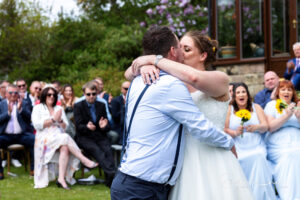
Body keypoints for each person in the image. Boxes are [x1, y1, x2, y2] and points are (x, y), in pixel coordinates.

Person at [110, 26, 244, 200]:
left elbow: (194, 78)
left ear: (203, 55)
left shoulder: (219, 78)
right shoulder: (170, 82)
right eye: (179, 47)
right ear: (173, 51)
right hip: (181, 165)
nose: (181, 51)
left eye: (186, 49)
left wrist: (152, 59)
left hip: (213, 156)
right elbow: (129, 72)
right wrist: (144, 65)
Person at [32, 84, 98, 189]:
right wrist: (52, 120)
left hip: (58, 136)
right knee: (65, 137)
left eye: (54, 95)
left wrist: (60, 120)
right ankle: (84, 159)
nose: (52, 97)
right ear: (44, 96)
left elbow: (65, 126)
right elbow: (37, 125)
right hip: (43, 138)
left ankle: (61, 179)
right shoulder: (38, 108)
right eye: (49, 95)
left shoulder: (58, 108)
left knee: (65, 147)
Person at [224, 82, 276, 199]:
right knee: (240, 160)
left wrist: (257, 127)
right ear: (234, 96)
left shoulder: (256, 107)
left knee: (258, 157)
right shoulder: (229, 109)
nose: (241, 94)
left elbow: (265, 127)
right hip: (238, 147)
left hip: (256, 146)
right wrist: (235, 132)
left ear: (247, 94)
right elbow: (225, 129)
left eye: (243, 92)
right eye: (238, 92)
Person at [74, 81, 116, 187]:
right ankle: (113, 174)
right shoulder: (78, 106)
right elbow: (78, 126)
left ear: (96, 93)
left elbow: (107, 125)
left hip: (99, 135)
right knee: (97, 150)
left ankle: (110, 179)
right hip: (84, 136)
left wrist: (104, 126)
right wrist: (87, 127)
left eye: (94, 94)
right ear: (84, 94)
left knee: (108, 150)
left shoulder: (101, 105)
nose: (91, 96)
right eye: (89, 94)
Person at [264, 80, 300, 199]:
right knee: (290, 155)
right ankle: (290, 196)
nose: (286, 92)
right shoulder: (272, 105)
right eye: (283, 89)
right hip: (278, 143)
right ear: (278, 92)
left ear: (292, 93)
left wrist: (298, 116)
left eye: (289, 90)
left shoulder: (297, 105)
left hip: (296, 139)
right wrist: (286, 116)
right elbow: (270, 127)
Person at [0, 84, 35, 180]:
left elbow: (30, 118)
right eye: (11, 92)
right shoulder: (1, 104)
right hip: (5, 135)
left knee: (35, 140)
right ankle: (0, 172)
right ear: (6, 94)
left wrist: (20, 110)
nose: (13, 95)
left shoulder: (24, 103)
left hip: (21, 135)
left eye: (16, 92)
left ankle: (34, 169)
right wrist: (8, 113)